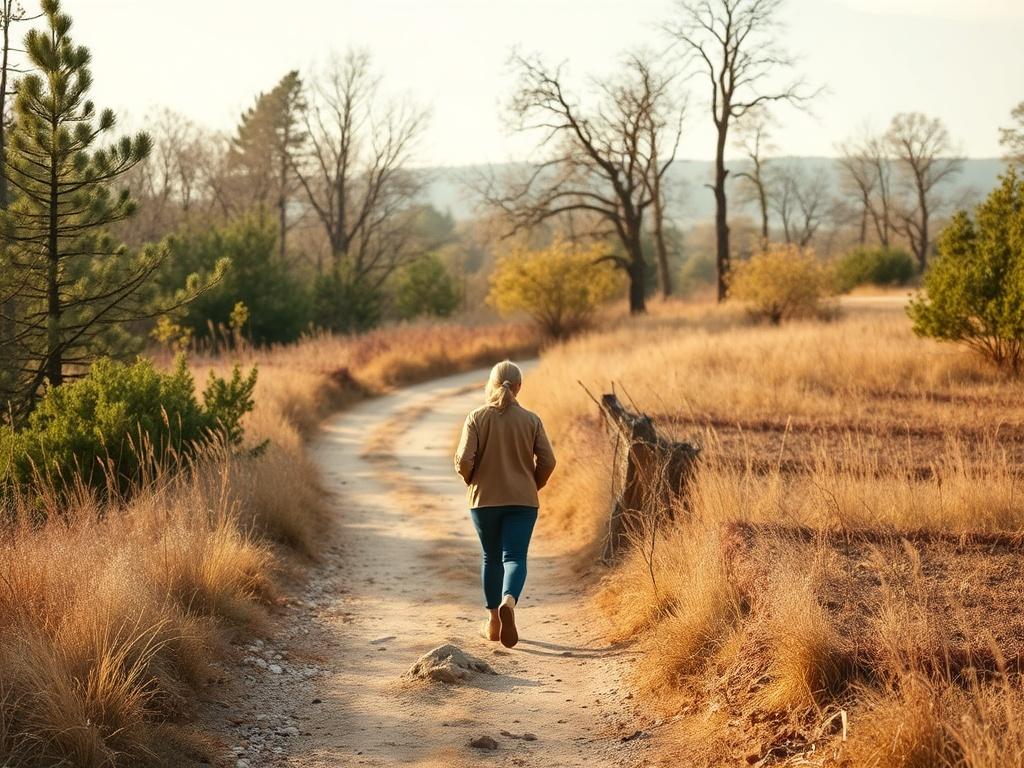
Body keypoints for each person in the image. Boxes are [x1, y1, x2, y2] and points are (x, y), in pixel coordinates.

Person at [454, 360, 556, 648]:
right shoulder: (532, 420)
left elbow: (463, 460)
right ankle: (509, 602)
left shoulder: (476, 417)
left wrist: (473, 479)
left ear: (492, 385)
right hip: (522, 502)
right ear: (519, 387)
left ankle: (493, 624)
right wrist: (531, 485)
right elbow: (549, 461)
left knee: (490, 557)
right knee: (514, 557)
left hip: (484, 500)